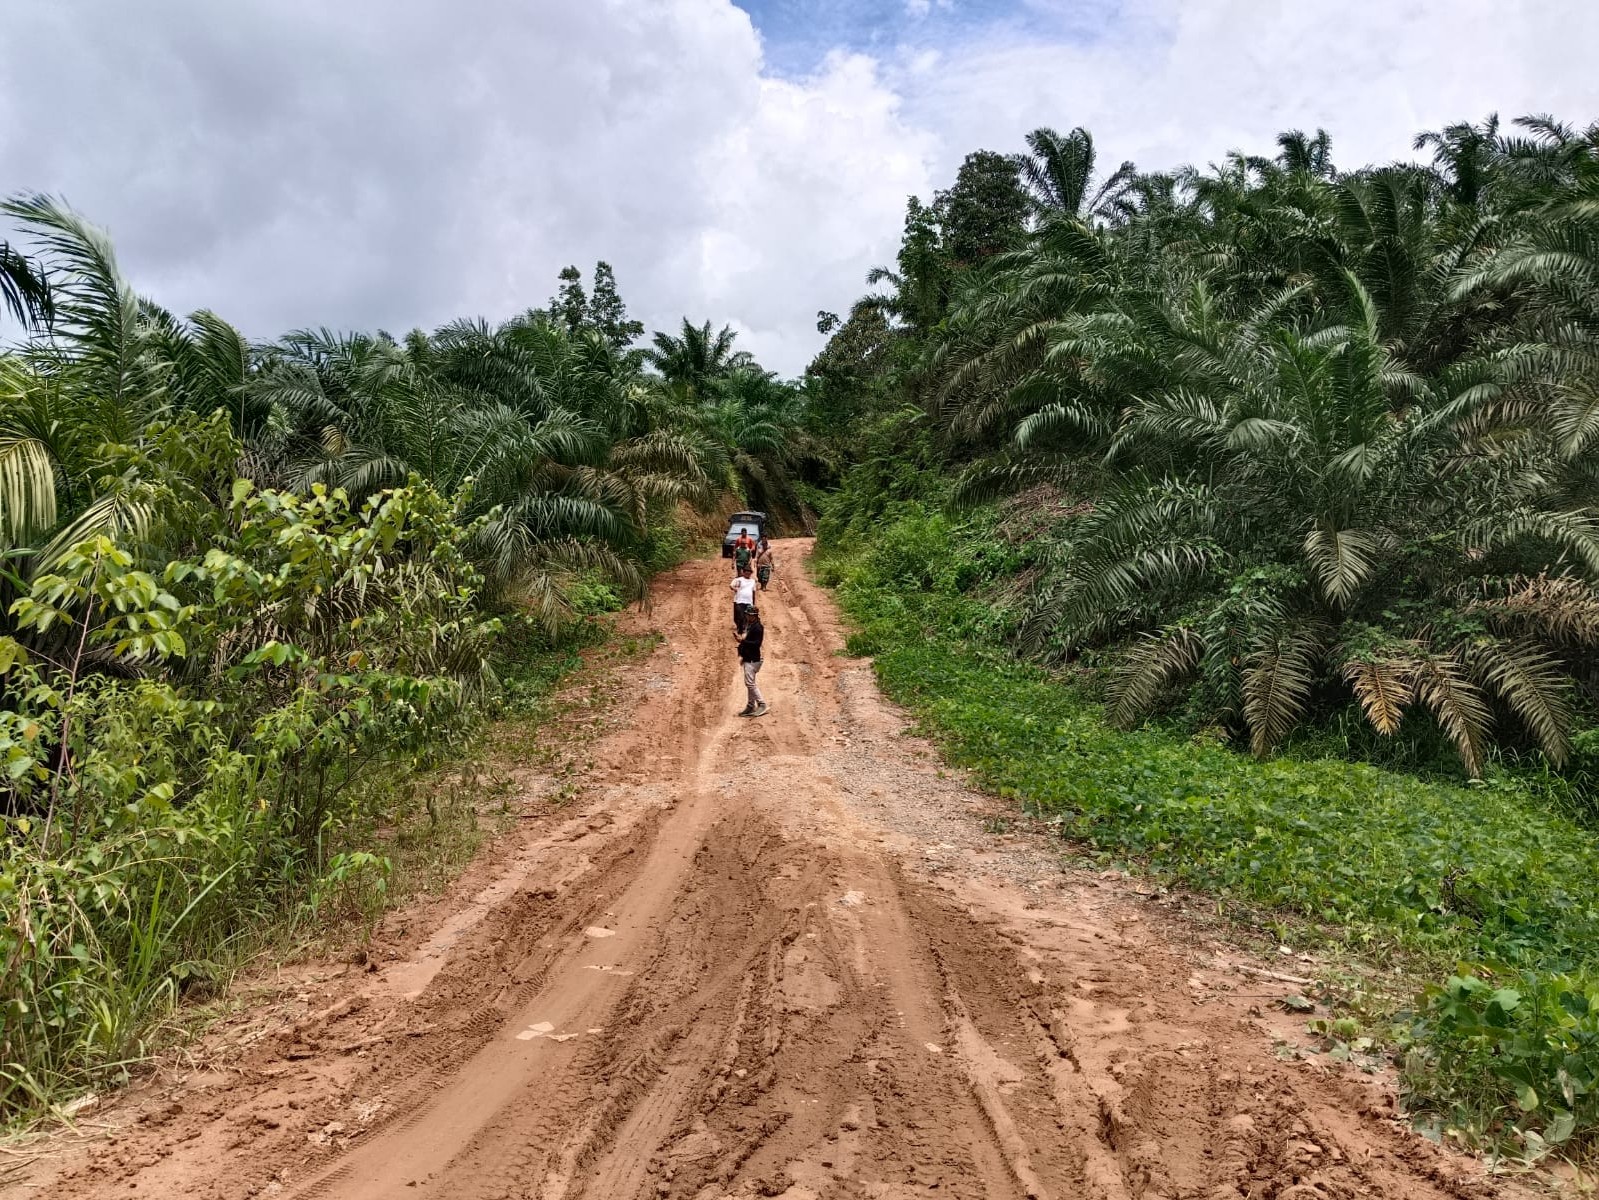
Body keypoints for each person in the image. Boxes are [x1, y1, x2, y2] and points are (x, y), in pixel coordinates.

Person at [736, 603, 767, 717]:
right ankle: (750, 705)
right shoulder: (749, 625)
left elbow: (756, 644)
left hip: (753, 659)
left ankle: (762, 704)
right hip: (749, 658)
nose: (747, 616)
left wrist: (742, 641)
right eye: (747, 614)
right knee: (750, 683)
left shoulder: (758, 627)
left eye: (749, 615)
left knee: (750, 683)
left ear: (754, 615)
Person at [730, 565, 757, 634]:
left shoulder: (753, 581)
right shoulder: (739, 579)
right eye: (746, 572)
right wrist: (734, 589)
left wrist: (753, 603)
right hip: (739, 601)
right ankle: (740, 628)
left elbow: (753, 592)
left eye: (749, 572)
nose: (748, 573)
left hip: (748, 602)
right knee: (738, 617)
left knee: (746, 617)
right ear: (743, 572)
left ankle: (742, 631)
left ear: (751, 573)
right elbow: (731, 585)